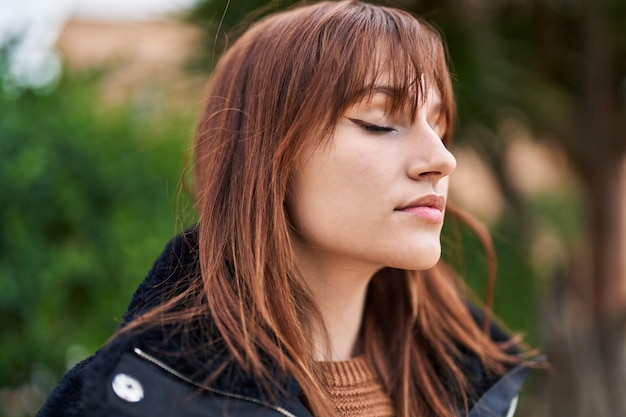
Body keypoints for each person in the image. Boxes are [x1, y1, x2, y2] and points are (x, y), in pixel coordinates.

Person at [38, 1, 537, 416]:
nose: (441, 159)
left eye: (439, 126)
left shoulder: (474, 380)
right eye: (381, 122)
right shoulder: (128, 400)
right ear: (267, 154)